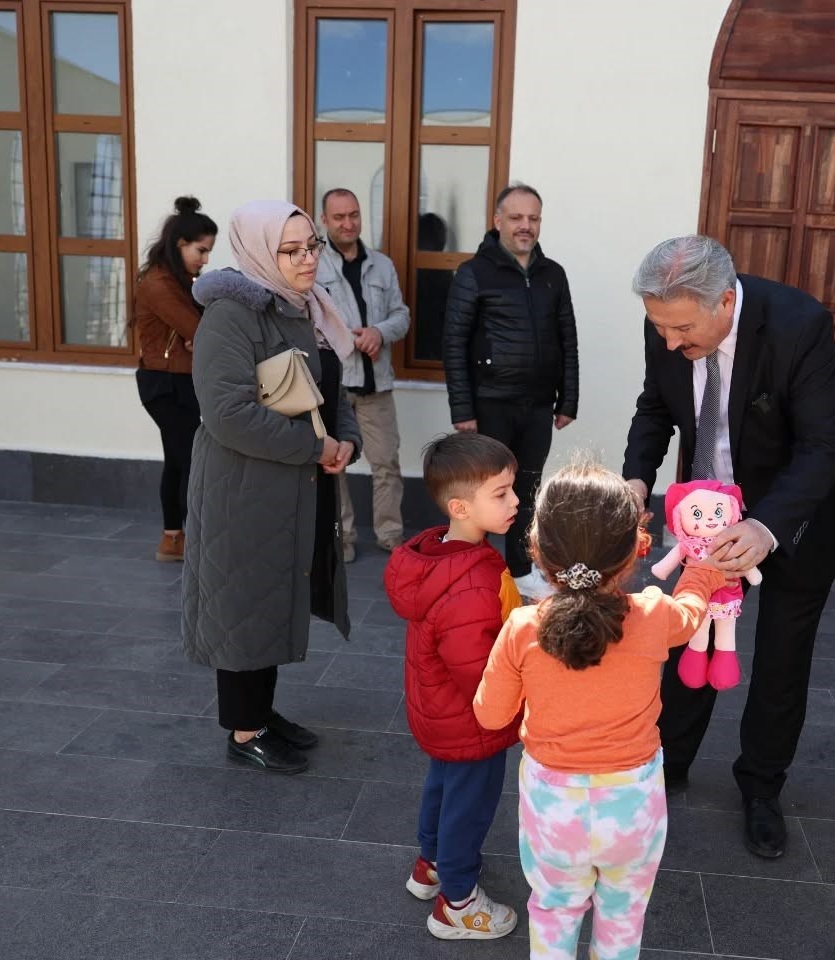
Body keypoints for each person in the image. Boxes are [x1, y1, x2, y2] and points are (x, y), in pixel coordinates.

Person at [621, 235, 835, 860]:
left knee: (781, 657)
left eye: (682, 329)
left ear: (724, 303)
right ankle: (667, 762)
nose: (670, 342)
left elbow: (824, 445)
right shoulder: (670, 323)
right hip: (708, 513)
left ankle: (762, 787)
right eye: (659, 328)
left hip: (796, 514)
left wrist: (766, 527)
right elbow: (656, 408)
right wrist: (636, 481)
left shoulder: (798, 325)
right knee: (690, 632)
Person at [474, 461, 724, 960]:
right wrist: (703, 570)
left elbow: (491, 715)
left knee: (554, 909)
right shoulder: (652, 616)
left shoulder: (523, 628)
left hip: (552, 806)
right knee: (624, 915)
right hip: (633, 803)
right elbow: (692, 611)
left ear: (538, 549)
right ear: (636, 549)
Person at [182, 200, 361, 775]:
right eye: (291, 250)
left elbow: (332, 389)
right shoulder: (232, 316)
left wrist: (347, 439)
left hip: (292, 486)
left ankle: (259, 712)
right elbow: (228, 414)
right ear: (260, 251)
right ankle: (244, 731)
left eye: (312, 246)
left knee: (272, 601)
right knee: (245, 603)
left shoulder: (305, 306)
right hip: (243, 491)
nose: (308, 259)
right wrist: (315, 448)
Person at [383, 432, 523, 941]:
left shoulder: (441, 555)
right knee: (470, 806)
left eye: (512, 488)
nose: (515, 501)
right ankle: (457, 904)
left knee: (444, 786)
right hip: (472, 717)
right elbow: (479, 669)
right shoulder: (472, 581)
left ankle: (432, 866)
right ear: (461, 507)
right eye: (501, 493)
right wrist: (519, 703)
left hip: (441, 712)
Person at [443, 183, 579, 601]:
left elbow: (568, 340)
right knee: (484, 492)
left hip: (538, 405)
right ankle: (472, 571)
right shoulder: (474, 273)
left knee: (527, 491)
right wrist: (462, 408)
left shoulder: (553, 274)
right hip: (490, 404)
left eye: (533, 218)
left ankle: (520, 571)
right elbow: (454, 343)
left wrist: (568, 400)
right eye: (516, 217)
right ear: (498, 220)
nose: (525, 226)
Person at [317, 188, 410, 563]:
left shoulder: (382, 266)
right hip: (334, 386)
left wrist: (378, 333)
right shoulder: (313, 265)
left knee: (386, 463)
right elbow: (308, 320)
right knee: (334, 467)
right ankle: (342, 538)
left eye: (353, 215)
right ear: (324, 220)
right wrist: (348, 338)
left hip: (376, 387)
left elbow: (401, 316)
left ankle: (391, 535)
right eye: (339, 217)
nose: (348, 223)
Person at [131, 196, 217, 562]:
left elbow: (201, 328)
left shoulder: (181, 281)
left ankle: (173, 539)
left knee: (179, 460)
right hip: (163, 384)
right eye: (201, 250)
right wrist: (198, 336)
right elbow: (201, 329)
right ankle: (194, 541)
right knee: (191, 460)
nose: (206, 259)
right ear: (181, 243)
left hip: (179, 382)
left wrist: (199, 335)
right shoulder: (159, 283)